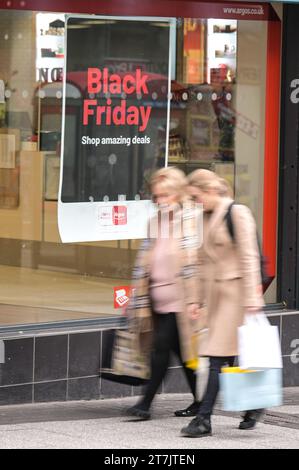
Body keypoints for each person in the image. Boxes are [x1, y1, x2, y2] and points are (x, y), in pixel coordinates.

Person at [181, 169, 265, 438]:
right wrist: (196, 299)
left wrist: (253, 298)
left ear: (211, 190)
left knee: (217, 358)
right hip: (217, 298)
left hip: (237, 296)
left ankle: (203, 418)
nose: (196, 202)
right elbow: (199, 262)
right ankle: (253, 404)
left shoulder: (237, 213)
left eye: (197, 197)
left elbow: (250, 256)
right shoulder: (203, 217)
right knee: (230, 357)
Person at [126, 167, 203, 420]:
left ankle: (145, 404)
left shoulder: (192, 219)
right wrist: (136, 298)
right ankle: (201, 401)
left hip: (181, 300)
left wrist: (196, 299)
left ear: (179, 193)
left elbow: (195, 261)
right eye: (157, 197)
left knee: (160, 347)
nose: (160, 201)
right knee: (181, 353)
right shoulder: (154, 222)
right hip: (155, 299)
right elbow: (145, 261)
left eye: (166, 195)